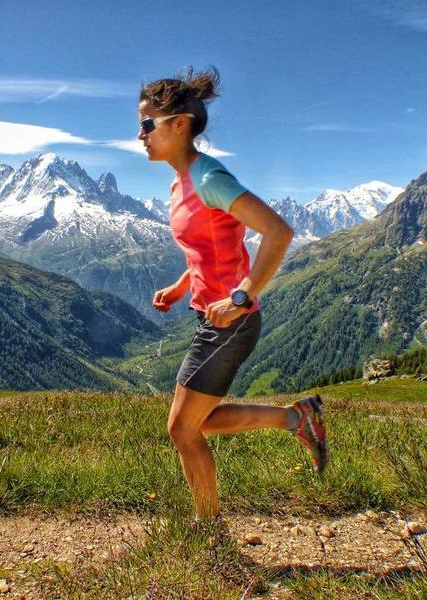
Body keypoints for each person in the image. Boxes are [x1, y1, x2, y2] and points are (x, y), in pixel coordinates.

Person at [138, 66, 329, 523]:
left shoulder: (209, 178)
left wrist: (242, 295)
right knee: (196, 423)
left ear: (178, 124)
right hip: (213, 316)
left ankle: (209, 533)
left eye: (147, 124)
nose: (140, 135)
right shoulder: (179, 182)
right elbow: (210, 246)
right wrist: (182, 286)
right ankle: (296, 419)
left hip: (232, 321)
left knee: (182, 429)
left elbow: (278, 231)